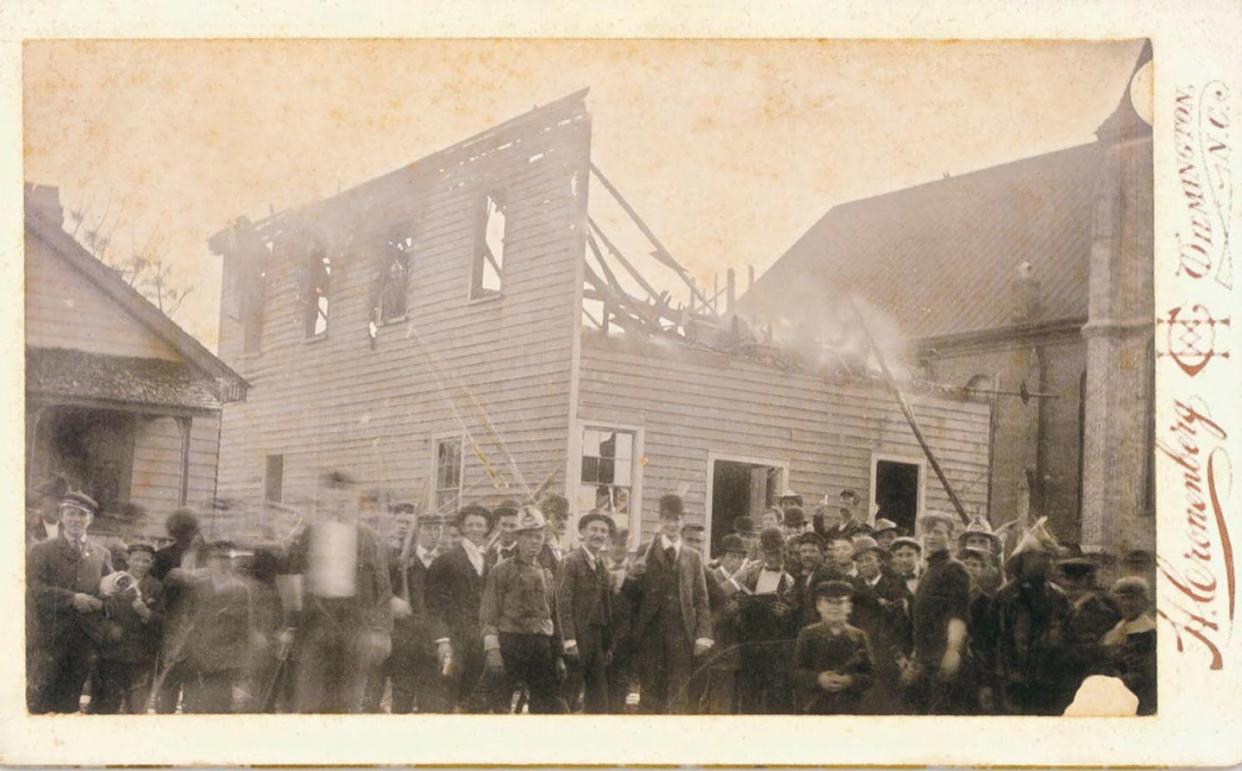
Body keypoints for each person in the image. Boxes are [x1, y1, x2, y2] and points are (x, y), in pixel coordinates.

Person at [283, 471, 394, 713]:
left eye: (345, 498)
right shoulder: (309, 535)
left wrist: (380, 631)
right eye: (333, 497)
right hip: (316, 624)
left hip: (354, 624)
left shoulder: (368, 539)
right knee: (310, 700)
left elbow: (383, 589)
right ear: (325, 500)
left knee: (347, 701)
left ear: (354, 501)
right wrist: (289, 627)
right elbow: (293, 581)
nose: (339, 503)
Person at [27, 490, 112, 713]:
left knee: (69, 701)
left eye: (82, 514)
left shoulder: (101, 553)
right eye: (70, 513)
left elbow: (109, 591)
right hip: (50, 637)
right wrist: (72, 598)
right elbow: (35, 588)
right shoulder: (42, 550)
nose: (76, 519)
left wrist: (102, 603)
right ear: (62, 516)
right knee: (38, 700)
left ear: (90, 519)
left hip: (83, 638)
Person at [627, 494, 712, 714]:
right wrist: (633, 574)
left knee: (678, 696)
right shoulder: (646, 551)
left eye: (676, 519)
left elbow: (701, 599)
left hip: (682, 637)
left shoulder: (692, 557)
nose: (672, 524)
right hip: (651, 635)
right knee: (650, 695)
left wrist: (703, 634)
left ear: (682, 522)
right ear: (660, 520)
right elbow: (632, 593)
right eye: (667, 519)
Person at [480, 505, 567, 714]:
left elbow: (553, 616)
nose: (534, 542)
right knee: (500, 705)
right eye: (528, 537)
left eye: (538, 537)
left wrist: (558, 655)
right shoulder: (501, 571)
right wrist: (492, 650)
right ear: (518, 539)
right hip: (510, 644)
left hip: (541, 647)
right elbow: (488, 614)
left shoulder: (546, 573)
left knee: (545, 706)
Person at [168, 541, 267, 713]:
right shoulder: (196, 587)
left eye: (226, 558)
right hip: (197, 656)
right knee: (193, 705)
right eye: (217, 558)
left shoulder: (241, 590)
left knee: (219, 706)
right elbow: (185, 620)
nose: (222, 563)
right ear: (208, 562)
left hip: (224, 659)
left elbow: (245, 626)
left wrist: (241, 659)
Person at [427, 503, 498, 712]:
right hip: (454, 639)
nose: (476, 529)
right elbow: (434, 604)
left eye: (480, 525)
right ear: (463, 528)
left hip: (481, 639)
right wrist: (442, 640)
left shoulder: (491, 559)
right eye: (471, 525)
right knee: (449, 691)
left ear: (487, 529)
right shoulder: (445, 560)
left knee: (476, 697)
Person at [992, 531, 1071, 715]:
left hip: (1049, 683)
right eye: (1041, 556)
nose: (1047, 562)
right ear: (1024, 559)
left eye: (1050, 557)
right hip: (1012, 683)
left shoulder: (1058, 597)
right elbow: (994, 640)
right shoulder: (1005, 595)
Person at [903, 512, 971, 715]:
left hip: (942, 659)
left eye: (938, 532)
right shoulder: (930, 569)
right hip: (925, 659)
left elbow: (958, 615)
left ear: (949, 537)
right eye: (927, 532)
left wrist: (953, 651)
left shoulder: (954, 569)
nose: (931, 537)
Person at [91, 541, 165, 714]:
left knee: (137, 708)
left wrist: (146, 612)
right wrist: (109, 627)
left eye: (146, 561)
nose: (140, 564)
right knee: (106, 706)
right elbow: (98, 612)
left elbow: (163, 620)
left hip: (141, 656)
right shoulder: (112, 581)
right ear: (128, 560)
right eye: (137, 560)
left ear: (152, 563)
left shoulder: (157, 587)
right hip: (112, 653)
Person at [388, 512, 450, 713]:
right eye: (429, 529)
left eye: (438, 529)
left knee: (432, 700)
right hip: (405, 639)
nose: (434, 534)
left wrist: (443, 639)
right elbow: (381, 591)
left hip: (435, 641)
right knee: (402, 698)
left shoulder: (446, 562)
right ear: (418, 531)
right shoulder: (401, 562)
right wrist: (393, 600)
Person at [734, 527, 798, 713]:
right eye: (768, 552)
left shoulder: (789, 579)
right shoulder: (751, 574)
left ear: (783, 551)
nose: (772, 556)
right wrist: (743, 602)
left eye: (776, 552)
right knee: (749, 698)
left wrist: (786, 612)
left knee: (776, 698)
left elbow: (795, 611)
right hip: (752, 644)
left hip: (777, 648)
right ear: (762, 551)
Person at [557, 511, 615, 713]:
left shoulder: (602, 565)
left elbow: (607, 606)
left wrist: (608, 644)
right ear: (582, 532)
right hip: (578, 638)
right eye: (594, 530)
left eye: (603, 531)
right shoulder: (571, 561)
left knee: (598, 698)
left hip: (597, 639)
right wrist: (569, 640)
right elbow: (562, 603)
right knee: (569, 694)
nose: (599, 535)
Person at [792, 580, 875, 714]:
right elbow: (796, 672)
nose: (834, 607)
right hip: (816, 705)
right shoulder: (808, 634)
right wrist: (818, 678)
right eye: (829, 602)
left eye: (841, 602)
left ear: (849, 607)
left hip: (850, 705)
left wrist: (850, 680)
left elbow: (871, 675)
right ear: (819, 605)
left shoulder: (859, 636)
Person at [850, 536, 910, 713]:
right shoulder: (854, 585)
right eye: (860, 561)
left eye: (868, 559)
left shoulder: (895, 583)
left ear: (880, 561)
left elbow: (901, 621)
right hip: (862, 652)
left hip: (887, 652)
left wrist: (900, 654)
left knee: (888, 703)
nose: (864, 565)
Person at [699, 534, 746, 714]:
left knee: (733, 704)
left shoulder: (746, 579)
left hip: (737, 650)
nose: (737, 561)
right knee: (715, 701)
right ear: (721, 558)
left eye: (740, 557)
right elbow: (708, 611)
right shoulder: (712, 577)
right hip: (716, 649)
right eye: (732, 556)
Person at [1103, 576, 1156, 715]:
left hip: (1139, 698)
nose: (1126, 604)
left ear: (1145, 602)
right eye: (1122, 598)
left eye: (1132, 598)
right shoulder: (1117, 629)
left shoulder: (1150, 632)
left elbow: (1145, 673)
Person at [604, 528, 636, 712]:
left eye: (622, 544)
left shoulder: (636, 571)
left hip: (625, 640)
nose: (618, 548)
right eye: (614, 543)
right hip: (600, 638)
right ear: (608, 544)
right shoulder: (598, 568)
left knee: (619, 689)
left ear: (628, 546)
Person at [25, 476, 68, 550]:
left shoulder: (67, 530)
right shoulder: (29, 527)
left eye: (62, 501)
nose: (59, 505)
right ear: (42, 500)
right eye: (54, 499)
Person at [485, 501, 521, 570]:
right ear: (496, 525)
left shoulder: (522, 555)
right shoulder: (488, 553)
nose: (507, 530)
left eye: (512, 526)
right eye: (504, 525)